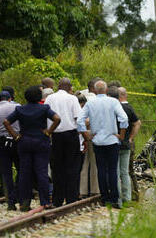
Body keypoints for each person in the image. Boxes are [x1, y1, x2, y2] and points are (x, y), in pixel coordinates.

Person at [3, 86, 61, 211]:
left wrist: (15, 136)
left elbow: (7, 122)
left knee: (25, 173)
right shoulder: (44, 108)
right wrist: (49, 131)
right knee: (41, 172)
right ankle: (45, 201)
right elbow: (57, 118)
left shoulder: (20, 109)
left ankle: (25, 202)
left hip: (24, 142)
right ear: (39, 97)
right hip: (41, 142)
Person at [77, 80, 128, 208]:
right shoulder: (113, 102)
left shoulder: (90, 103)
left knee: (101, 169)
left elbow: (80, 121)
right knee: (112, 170)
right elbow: (124, 118)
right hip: (111, 140)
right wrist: (121, 135)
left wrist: (86, 135)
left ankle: (104, 198)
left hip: (97, 141)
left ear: (94, 90)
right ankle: (115, 198)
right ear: (106, 90)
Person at [45, 78, 82, 207]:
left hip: (55, 135)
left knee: (57, 167)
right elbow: (78, 118)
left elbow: (46, 115)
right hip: (71, 135)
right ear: (69, 87)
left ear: (58, 86)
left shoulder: (50, 98)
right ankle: (71, 198)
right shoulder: (72, 99)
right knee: (72, 167)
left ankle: (57, 199)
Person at [117, 87, 141, 204]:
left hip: (117, 143)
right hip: (127, 143)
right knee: (127, 171)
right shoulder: (129, 108)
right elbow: (137, 123)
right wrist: (131, 138)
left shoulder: (117, 108)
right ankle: (131, 196)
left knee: (118, 172)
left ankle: (119, 197)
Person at [79, 79, 100, 197]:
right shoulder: (93, 99)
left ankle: (82, 190)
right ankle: (94, 189)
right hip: (92, 133)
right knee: (94, 162)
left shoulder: (81, 94)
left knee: (85, 163)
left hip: (81, 134)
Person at [0, 91, 20, 210]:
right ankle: (18, 195)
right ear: (9, 99)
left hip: (1, 143)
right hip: (16, 140)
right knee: (21, 169)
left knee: (6, 172)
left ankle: (10, 202)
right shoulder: (17, 106)